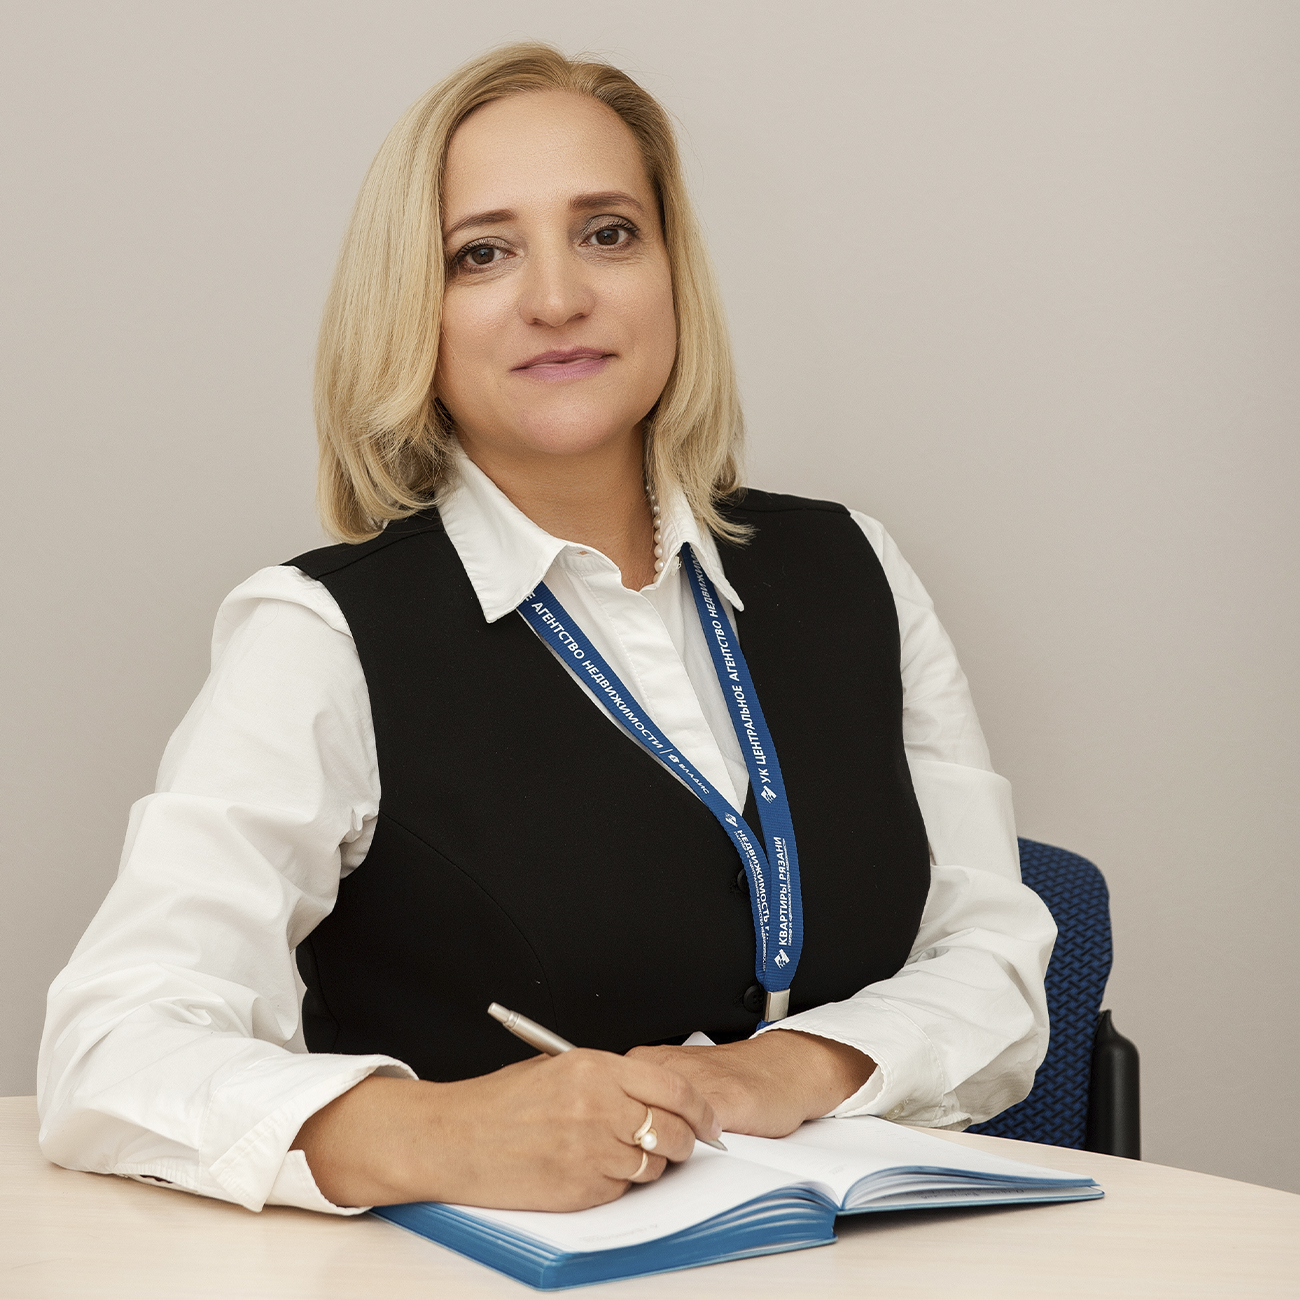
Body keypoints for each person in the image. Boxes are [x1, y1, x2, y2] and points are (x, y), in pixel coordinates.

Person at [37, 44, 1056, 1217]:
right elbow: (110, 1047)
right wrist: (435, 1131)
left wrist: (778, 1071)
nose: (558, 298)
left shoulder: (852, 567)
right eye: (483, 252)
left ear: (671, 273)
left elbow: (991, 955)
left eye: (607, 233)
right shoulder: (320, 635)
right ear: (413, 308)